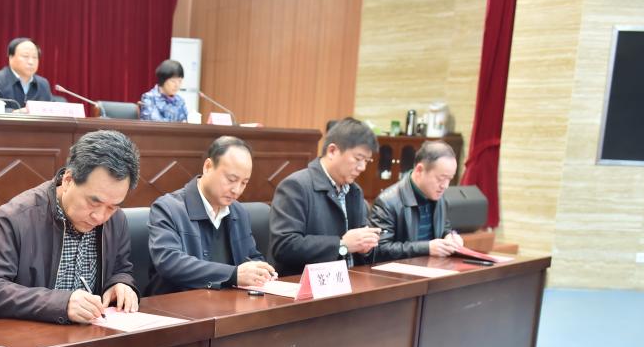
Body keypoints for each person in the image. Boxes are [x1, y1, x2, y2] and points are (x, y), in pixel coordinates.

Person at [0, 130, 140, 324]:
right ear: (68, 180)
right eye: (93, 202)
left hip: (89, 334)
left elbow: (120, 269)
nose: (100, 217)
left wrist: (120, 283)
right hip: (24, 335)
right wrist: (60, 304)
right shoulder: (18, 217)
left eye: (112, 207)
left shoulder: (116, 220)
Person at [146, 136, 275, 294]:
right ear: (208, 167)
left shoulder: (238, 211)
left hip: (229, 302)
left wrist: (261, 270)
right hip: (179, 303)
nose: (237, 190)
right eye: (231, 179)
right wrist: (233, 274)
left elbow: (250, 256)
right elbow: (169, 262)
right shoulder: (168, 208)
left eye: (244, 183)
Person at [269, 117, 381, 276]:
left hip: (351, 280)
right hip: (304, 284)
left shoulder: (354, 192)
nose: (362, 167)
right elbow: (284, 246)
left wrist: (366, 247)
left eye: (367, 161)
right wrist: (342, 245)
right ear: (332, 151)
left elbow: (358, 248)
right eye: (358, 159)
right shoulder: (296, 186)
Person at [369, 140, 464, 261]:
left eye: (449, 179)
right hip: (400, 270)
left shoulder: (439, 197)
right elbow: (379, 250)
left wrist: (450, 236)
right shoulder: (387, 202)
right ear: (419, 170)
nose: (445, 186)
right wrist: (426, 248)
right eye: (441, 178)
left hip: (432, 266)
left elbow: (444, 226)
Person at [0, 37, 53, 112]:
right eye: (25, 56)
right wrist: (16, 113)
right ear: (11, 58)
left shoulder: (43, 84)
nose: (31, 62)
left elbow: (52, 111)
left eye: (35, 57)